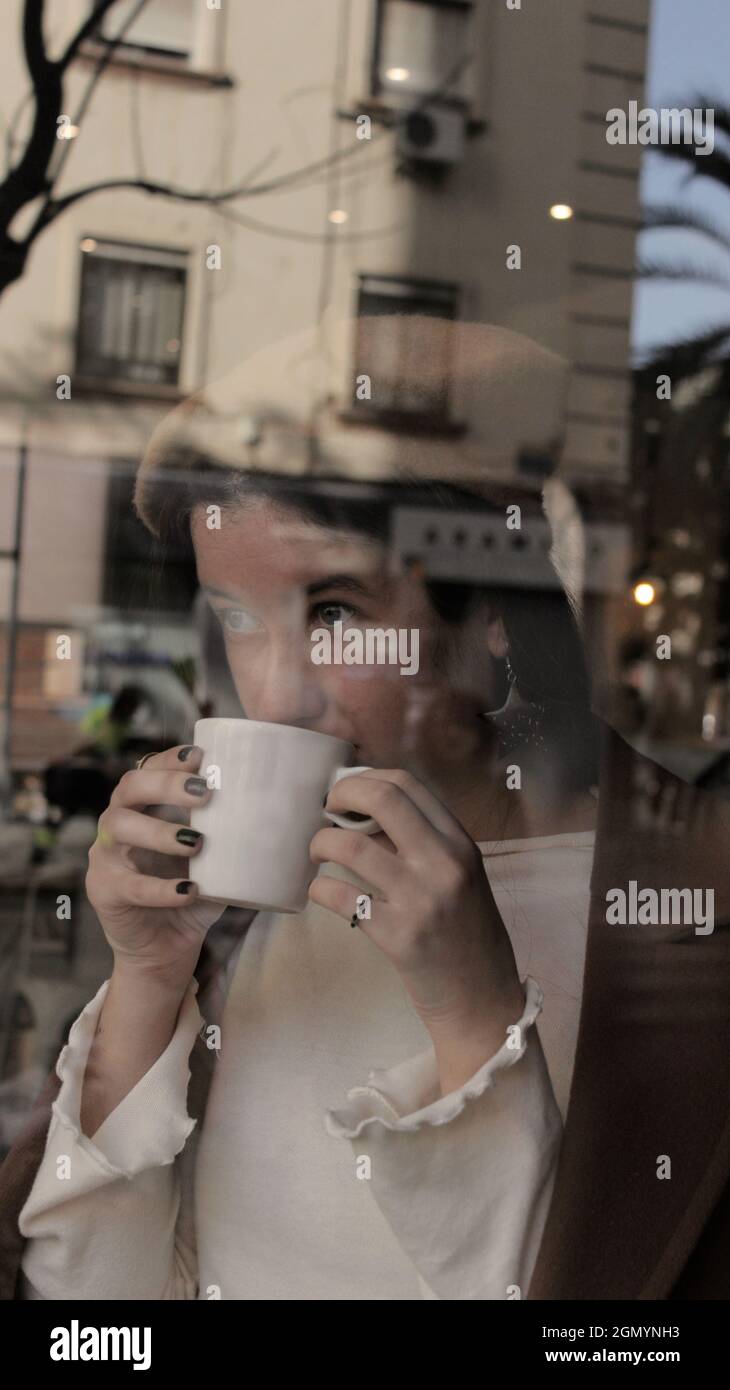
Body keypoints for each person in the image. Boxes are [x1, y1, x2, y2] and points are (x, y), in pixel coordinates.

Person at [3, 319, 729, 1301]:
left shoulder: (683, 911)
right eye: (238, 619)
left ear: (494, 613)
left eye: (336, 613)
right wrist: (148, 974)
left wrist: (471, 1012)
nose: (275, 693)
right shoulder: (246, 912)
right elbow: (96, 1306)